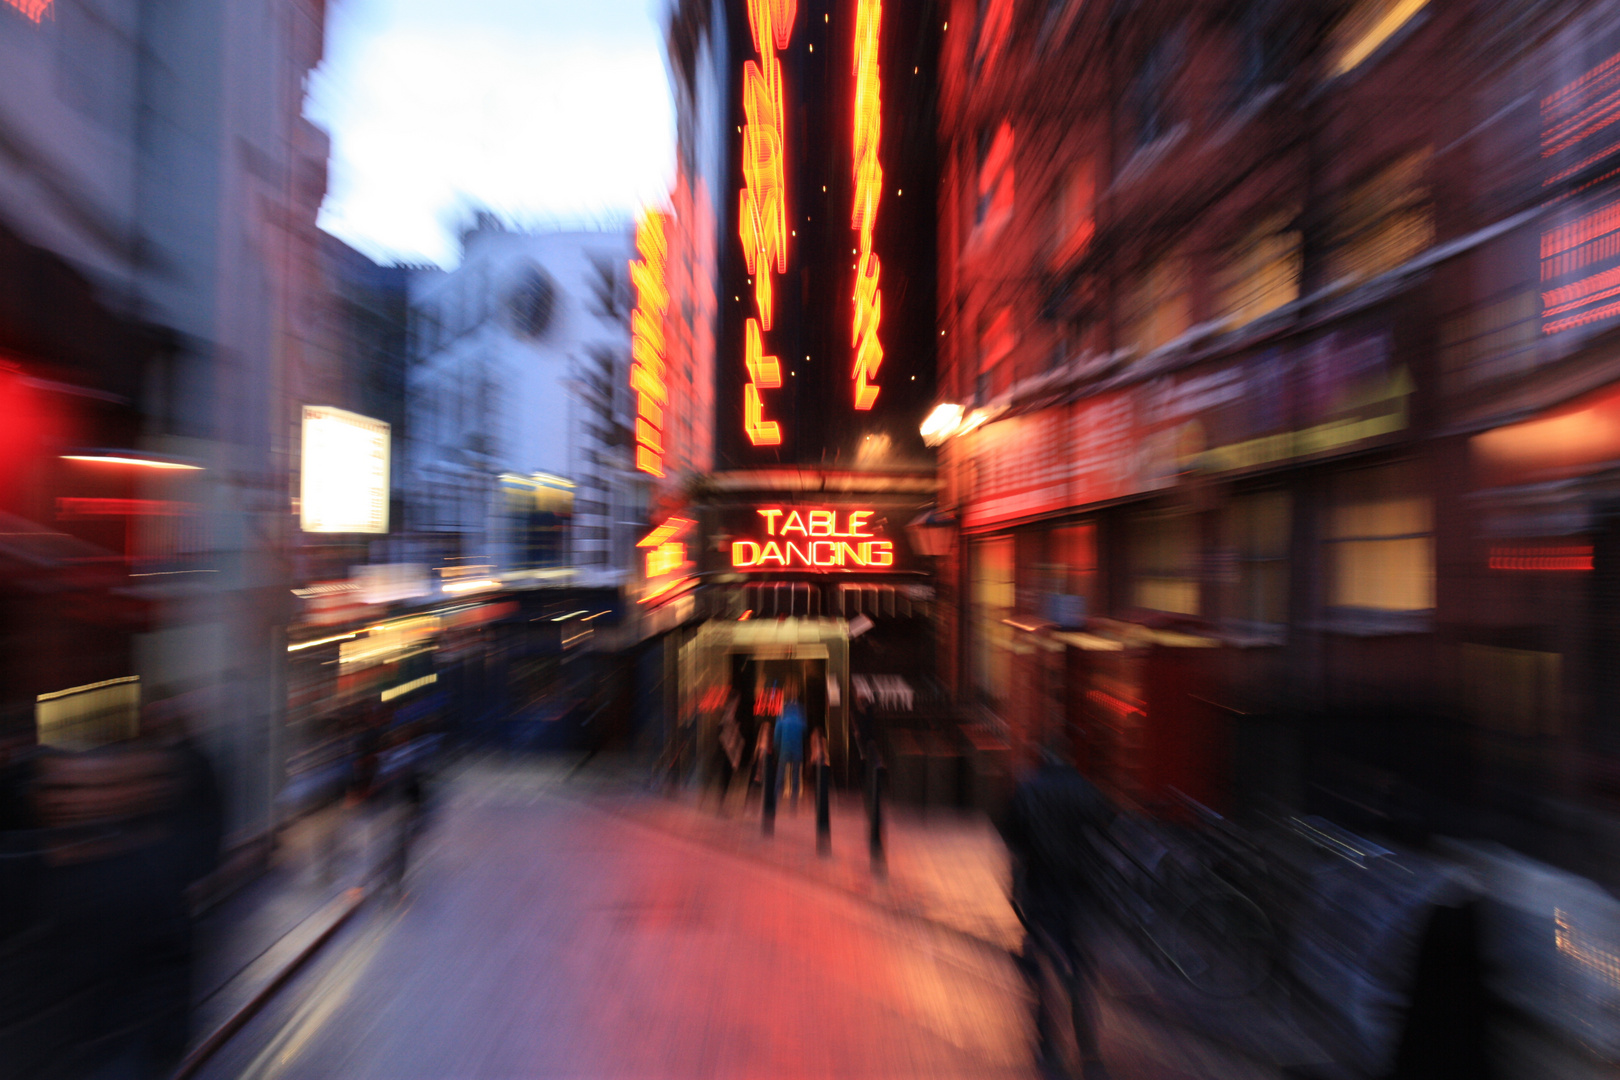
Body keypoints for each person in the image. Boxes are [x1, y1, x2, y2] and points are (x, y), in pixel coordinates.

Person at [999, 735, 1115, 1080]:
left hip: (1041, 886)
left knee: (1042, 965)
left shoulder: (1028, 788)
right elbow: (1108, 822)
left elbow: (1012, 837)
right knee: (1079, 972)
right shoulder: (1084, 788)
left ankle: (1048, 1048)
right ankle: (1090, 1055)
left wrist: (1016, 885)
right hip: (1078, 890)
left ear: (1042, 759)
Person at [774, 679, 807, 811]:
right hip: (794, 745)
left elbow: (778, 729)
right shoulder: (799, 709)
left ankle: (776, 802)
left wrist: (777, 746)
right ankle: (791, 804)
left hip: (786, 746)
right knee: (791, 776)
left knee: (783, 775)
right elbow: (804, 727)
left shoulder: (785, 708)